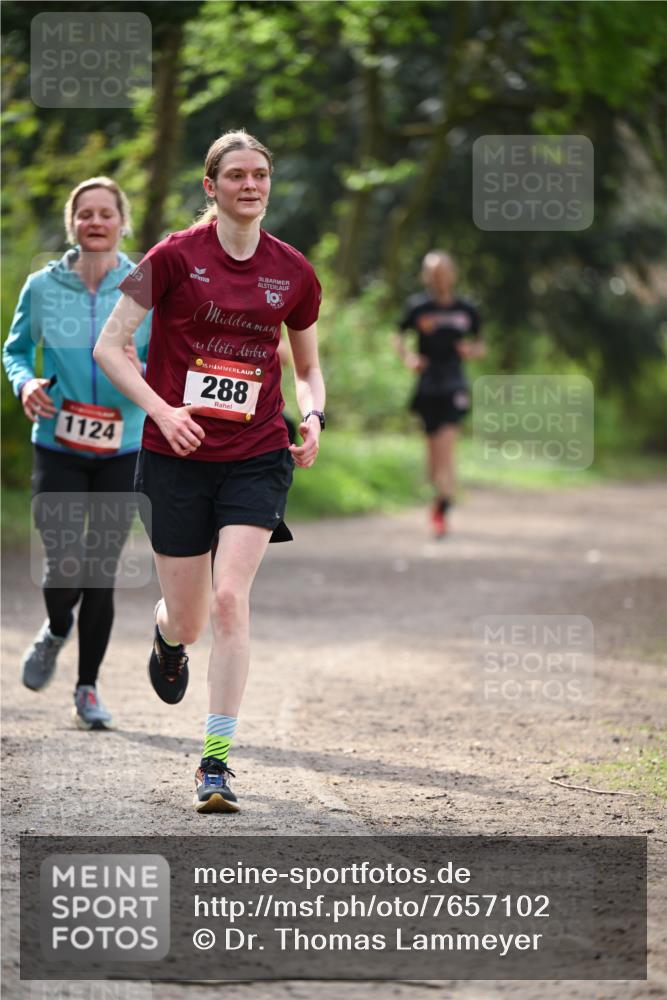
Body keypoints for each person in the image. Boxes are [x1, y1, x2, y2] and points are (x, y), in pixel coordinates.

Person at [93, 129, 325, 813]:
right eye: (235, 176)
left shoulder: (294, 271)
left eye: (259, 175)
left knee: (231, 600)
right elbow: (111, 347)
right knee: (191, 618)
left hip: (255, 454)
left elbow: (307, 366)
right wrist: (162, 412)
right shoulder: (170, 257)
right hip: (175, 458)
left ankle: (215, 764)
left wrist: (311, 417)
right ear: (211, 186)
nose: (250, 185)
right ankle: (166, 637)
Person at [3, 177, 152, 729]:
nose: (95, 222)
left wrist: (149, 371)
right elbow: (15, 349)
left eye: (105, 213)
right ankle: (57, 626)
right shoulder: (42, 287)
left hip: (126, 444)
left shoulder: (143, 284)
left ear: (121, 220)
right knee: (64, 561)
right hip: (59, 441)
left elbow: (165, 352)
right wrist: (24, 383)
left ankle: (87, 689)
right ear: (73, 223)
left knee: (102, 569)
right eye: (84, 213)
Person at [394, 250, 485, 537]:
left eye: (443, 271)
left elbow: (481, 344)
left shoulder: (466, 309)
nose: (438, 277)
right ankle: (440, 499)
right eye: (432, 272)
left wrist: (471, 351)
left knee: (446, 451)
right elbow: (397, 335)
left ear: (453, 274)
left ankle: (443, 505)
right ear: (425, 276)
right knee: (433, 463)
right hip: (427, 385)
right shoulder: (418, 307)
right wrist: (408, 357)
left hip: (454, 384)